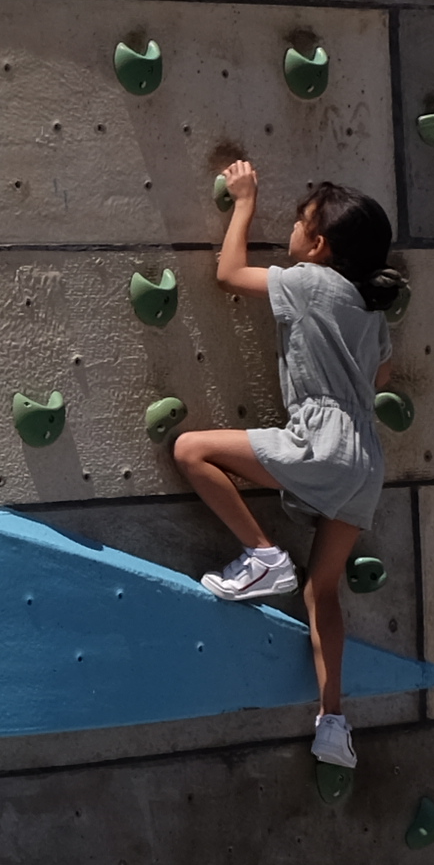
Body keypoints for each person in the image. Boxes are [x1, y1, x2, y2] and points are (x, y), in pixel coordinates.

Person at [170, 162, 402, 770]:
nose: (292, 235)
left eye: (300, 226)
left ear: (319, 245)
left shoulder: (307, 282)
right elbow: (382, 377)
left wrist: (243, 202)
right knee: (322, 589)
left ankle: (262, 553)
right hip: (367, 457)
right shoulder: (371, 311)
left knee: (191, 450)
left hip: (322, 438)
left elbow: (227, 273)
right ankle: (333, 722)